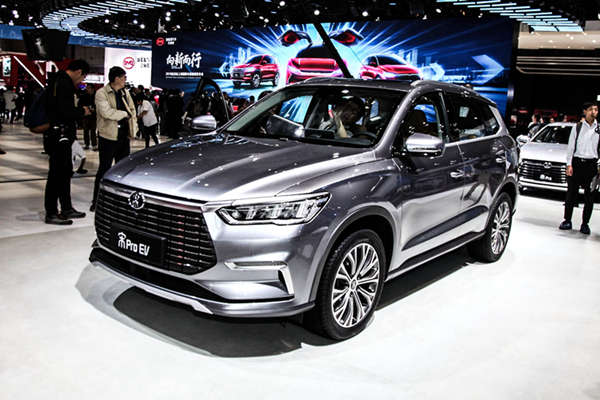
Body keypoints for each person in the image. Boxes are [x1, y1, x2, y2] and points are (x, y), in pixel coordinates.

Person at [43, 59, 92, 225]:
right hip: (59, 135)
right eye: (83, 77)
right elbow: (64, 111)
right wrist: (82, 111)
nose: (81, 81)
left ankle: (66, 207)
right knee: (56, 174)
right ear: (79, 72)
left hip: (62, 135)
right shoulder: (62, 83)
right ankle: (51, 212)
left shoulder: (59, 81)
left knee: (65, 173)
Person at [90, 66, 138, 212]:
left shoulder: (125, 93)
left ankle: (119, 202)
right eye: (123, 77)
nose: (125, 80)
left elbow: (132, 111)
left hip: (123, 136)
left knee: (122, 171)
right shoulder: (102, 93)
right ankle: (97, 200)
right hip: (108, 137)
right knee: (104, 169)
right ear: (116, 78)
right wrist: (124, 114)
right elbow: (106, 113)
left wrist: (132, 127)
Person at [559, 102, 600, 235]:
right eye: (591, 109)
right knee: (571, 194)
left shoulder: (599, 128)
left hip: (592, 165)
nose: (594, 112)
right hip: (577, 163)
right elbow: (571, 147)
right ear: (585, 111)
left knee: (589, 197)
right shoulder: (577, 127)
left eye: (596, 109)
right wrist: (569, 164)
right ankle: (567, 220)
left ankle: (585, 224)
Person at [79, 85, 97, 150]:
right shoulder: (84, 96)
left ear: (92, 89)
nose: (87, 89)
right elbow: (80, 104)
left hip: (93, 116)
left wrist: (94, 109)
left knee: (93, 131)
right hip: (86, 116)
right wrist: (84, 108)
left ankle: (94, 144)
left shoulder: (96, 96)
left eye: (89, 88)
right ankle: (86, 144)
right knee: (86, 130)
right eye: (87, 88)